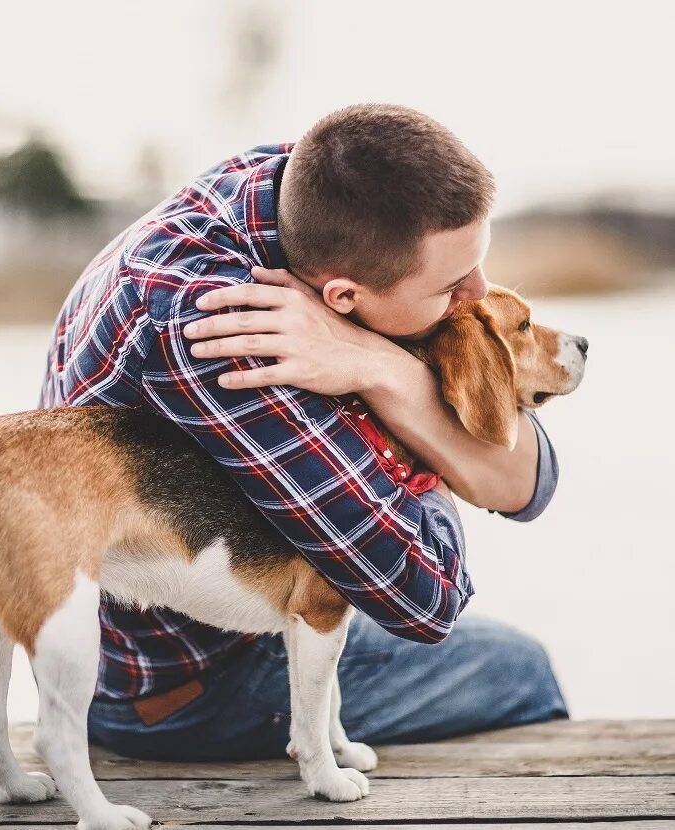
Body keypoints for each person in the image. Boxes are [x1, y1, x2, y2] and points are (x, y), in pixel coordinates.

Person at [38, 103, 567, 762]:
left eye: (479, 264)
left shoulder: (302, 187)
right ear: (341, 297)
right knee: (521, 671)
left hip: (275, 610)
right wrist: (403, 391)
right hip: (182, 687)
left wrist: (386, 372)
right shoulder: (229, 332)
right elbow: (428, 599)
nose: (481, 296)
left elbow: (526, 483)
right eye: (452, 288)